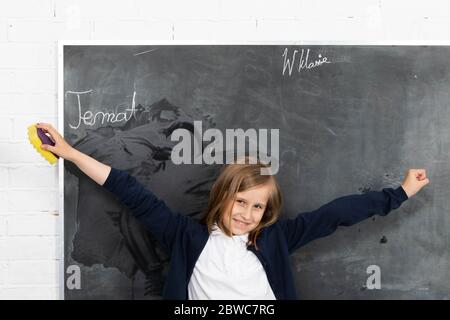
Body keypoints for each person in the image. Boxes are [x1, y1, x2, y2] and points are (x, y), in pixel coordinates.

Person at [36, 123, 430, 300]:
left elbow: (335, 214)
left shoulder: (274, 239)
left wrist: (400, 193)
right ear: (223, 197)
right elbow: (130, 191)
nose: (247, 213)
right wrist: (69, 152)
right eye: (240, 202)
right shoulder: (185, 236)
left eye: (258, 206)